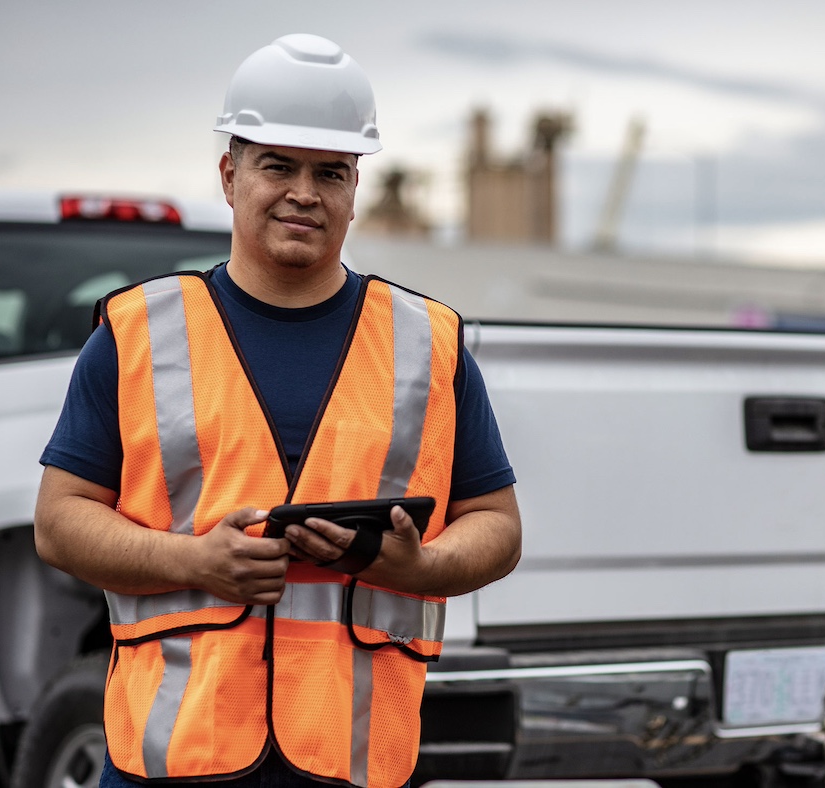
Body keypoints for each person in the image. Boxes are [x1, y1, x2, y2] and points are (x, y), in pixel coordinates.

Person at [34, 33, 522, 788]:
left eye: (330, 172)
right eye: (278, 165)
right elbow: (59, 522)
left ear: (355, 189)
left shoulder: (428, 346)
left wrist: (420, 565)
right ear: (230, 177)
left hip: (353, 758)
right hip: (174, 757)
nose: (305, 192)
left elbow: (496, 525)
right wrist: (191, 560)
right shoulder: (138, 335)